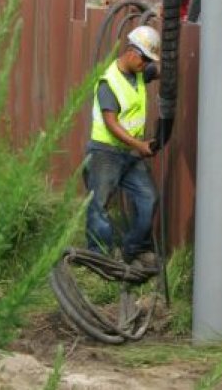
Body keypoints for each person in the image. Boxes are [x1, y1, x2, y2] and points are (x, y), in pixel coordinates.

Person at [84, 25, 162, 269]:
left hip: (129, 154)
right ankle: (101, 256)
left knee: (148, 198)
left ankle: (133, 249)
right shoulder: (110, 82)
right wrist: (140, 145)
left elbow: (159, 71)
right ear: (131, 52)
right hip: (105, 152)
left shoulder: (138, 73)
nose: (147, 64)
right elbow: (111, 123)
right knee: (100, 205)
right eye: (145, 58)